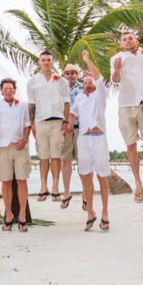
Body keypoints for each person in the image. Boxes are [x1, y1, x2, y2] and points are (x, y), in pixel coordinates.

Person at [111, 30, 143, 203]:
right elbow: (116, 80)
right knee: (130, 145)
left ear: (136, 40)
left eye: (130, 38)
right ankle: (138, 184)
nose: (127, 41)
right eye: (124, 39)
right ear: (121, 43)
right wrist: (117, 69)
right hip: (125, 106)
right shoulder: (117, 58)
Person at [70, 51, 110, 232]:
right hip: (84, 139)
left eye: (90, 82)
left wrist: (87, 60)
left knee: (102, 177)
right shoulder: (79, 97)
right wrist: (69, 124)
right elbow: (73, 112)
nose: (87, 84)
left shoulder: (100, 95)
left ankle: (105, 212)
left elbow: (100, 79)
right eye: (85, 83)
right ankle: (90, 213)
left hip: (99, 138)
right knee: (85, 176)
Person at [0, 78, 31, 231]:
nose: (8, 90)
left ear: (14, 89)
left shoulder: (23, 105)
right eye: (5, 88)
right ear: (1, 90)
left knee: (21, 181)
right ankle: (8, 215)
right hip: (3, 147)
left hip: (20, 147)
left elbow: (27, 125)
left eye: (10, 88)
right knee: (5, 181)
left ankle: (22, 216)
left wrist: (25, 140)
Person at [27, 51, 70, 202]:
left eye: (49, 60)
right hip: (40, 123)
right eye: (43, 60)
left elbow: (66, 102)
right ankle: (43, 187)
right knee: (43, 156)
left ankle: (56, 188)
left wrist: (65, 122)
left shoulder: (61, 81)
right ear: (39, 62)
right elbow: (31, 103)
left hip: (57, 122)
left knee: (56, 156)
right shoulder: (33, 81)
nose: (46, 62)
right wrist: (32, 123)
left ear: (52, 63)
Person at [60, 62, 82, 209]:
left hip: (81, 128)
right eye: (67, 73)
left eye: (73, 73)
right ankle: (66, 192)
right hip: (65, 129)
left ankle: (86, 195)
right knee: (65, 161)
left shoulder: (84, 87)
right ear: (64, 75)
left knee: (83, 162)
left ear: (77, 74)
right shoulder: (59, 89)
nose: (70, 76)